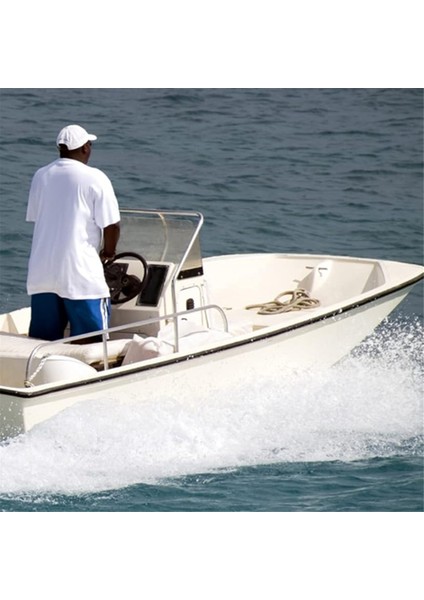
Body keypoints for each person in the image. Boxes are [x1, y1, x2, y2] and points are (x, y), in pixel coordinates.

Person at [26, 124, 121, 341]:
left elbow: (40, 218)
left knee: (43, 344)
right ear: (85, 148)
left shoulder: (41, 175)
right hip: (81, 277)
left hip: (42, 274)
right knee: (93, 343)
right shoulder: (95, 177)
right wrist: (108, 253)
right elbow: (112, 226)